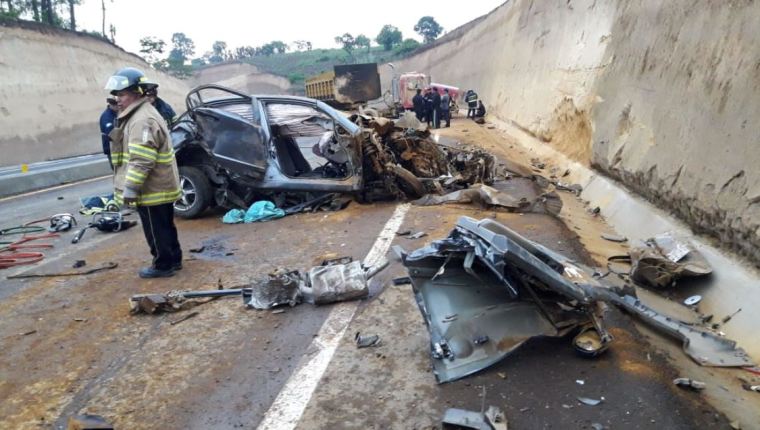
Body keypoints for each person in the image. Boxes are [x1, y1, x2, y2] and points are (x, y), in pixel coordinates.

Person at [104, 67, 183, 279]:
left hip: (151, 189)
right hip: (159, 186)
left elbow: (141, 160)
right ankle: (174, 259)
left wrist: (130, 188)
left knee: (156, 229)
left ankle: (163, 264)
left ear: (137, 93)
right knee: (165, 225)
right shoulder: (141, 114)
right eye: (116, 95)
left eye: (122, 94)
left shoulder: (140, 120)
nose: (117, 99)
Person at [99, 97, 118, 169]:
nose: (118, 107)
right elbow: (111, 133)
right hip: (111, 148)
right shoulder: (107, 116)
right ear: (111, 105)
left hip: (115, 148)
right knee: (116, 170)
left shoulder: (115, 113)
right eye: (116, 105)